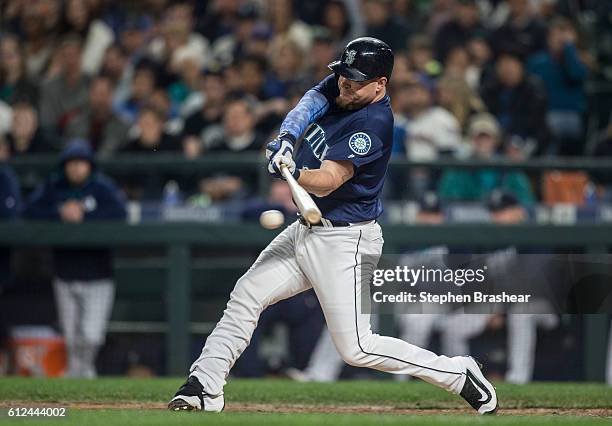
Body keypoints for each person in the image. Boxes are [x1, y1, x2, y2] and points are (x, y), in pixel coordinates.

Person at [168, 37, 498, 415]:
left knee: (357, 348)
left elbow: (328, 179)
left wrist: (291, 171)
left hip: (346, 241)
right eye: (343, 75)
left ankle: (458, 373)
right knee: (246, 295)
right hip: (306, 229)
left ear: (381, 85)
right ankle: (204, 387)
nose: (345, 84)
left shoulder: (373, 123)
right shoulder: (344, 86)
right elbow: (308, 103)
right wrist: (288, 140)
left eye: (356, 81)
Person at [23, 140, 127, 378]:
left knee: (91, 335)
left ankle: (84, 371)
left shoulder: (102, 188)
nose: (76, 168)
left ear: (89, 165)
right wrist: (59, 212)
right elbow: (28, 211)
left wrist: (86, 215)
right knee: (71, 336)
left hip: (98, 273)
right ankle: (78, 375)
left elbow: (120, 213)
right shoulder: (54, 186)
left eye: (80, 163)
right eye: (71, 163)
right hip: (65, 271)